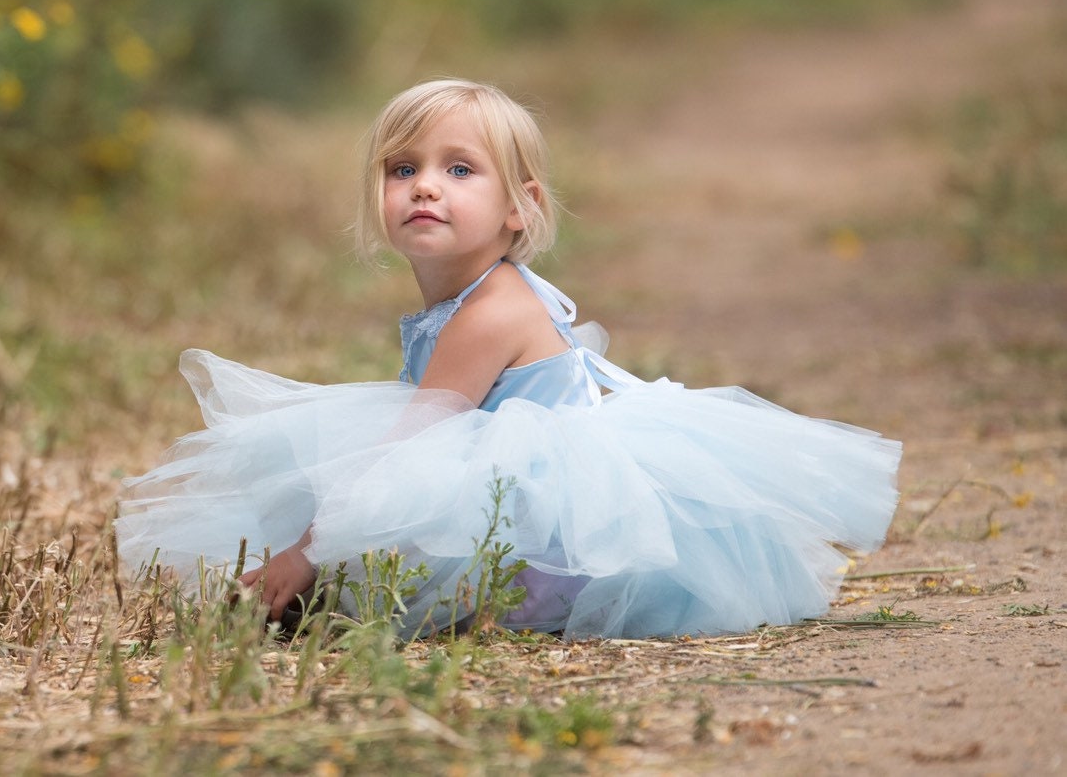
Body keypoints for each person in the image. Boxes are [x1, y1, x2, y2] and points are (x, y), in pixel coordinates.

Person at [115, 78, 901, 639]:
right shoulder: (463, 292)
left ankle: (376, 594)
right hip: (514, 478)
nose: (425, 186)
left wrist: (308, 553)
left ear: (520, 207)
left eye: (459, 170)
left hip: (567, 528)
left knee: (366, 525)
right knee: (348, 496)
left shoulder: (490, 309)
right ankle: (316, 591)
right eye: (403, 169)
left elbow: (413, 443)